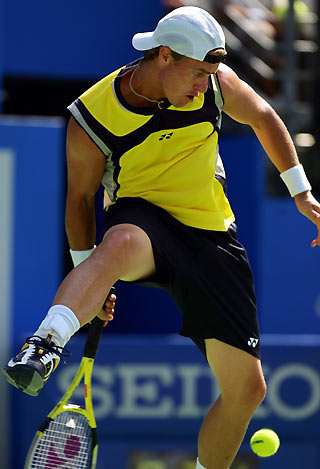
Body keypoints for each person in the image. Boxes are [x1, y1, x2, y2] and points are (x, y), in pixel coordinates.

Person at [3, 6, 320, 469]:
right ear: (165, 56)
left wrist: (302, 193)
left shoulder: (215, 83)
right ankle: (45, 343)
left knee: (247, 391)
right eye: (196, 73)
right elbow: (79, 201)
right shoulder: (93, 114)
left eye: (209, 73)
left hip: (212, 234)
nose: (203, 85)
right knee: (122, 244)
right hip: (144, 217)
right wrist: (92, 273)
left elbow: (264, 117)